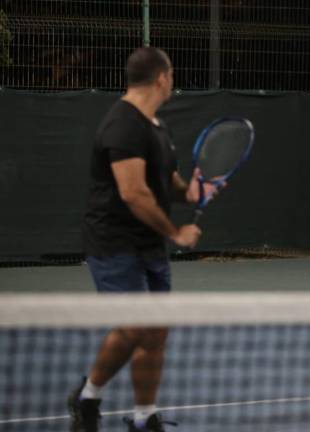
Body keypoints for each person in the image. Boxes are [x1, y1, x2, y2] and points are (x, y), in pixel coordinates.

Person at [68, 47, 218, 432]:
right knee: (136, 326)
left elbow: (168, 182)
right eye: (172, 75)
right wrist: (176, 232)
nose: (173, 81)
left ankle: (143, 416)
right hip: (113, 242)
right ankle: (88, 395)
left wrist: (193, 192)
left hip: (149, 244)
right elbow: (133, 193)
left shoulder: (157, 127)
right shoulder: (123, 125)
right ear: (162, 78)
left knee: (156, 330)